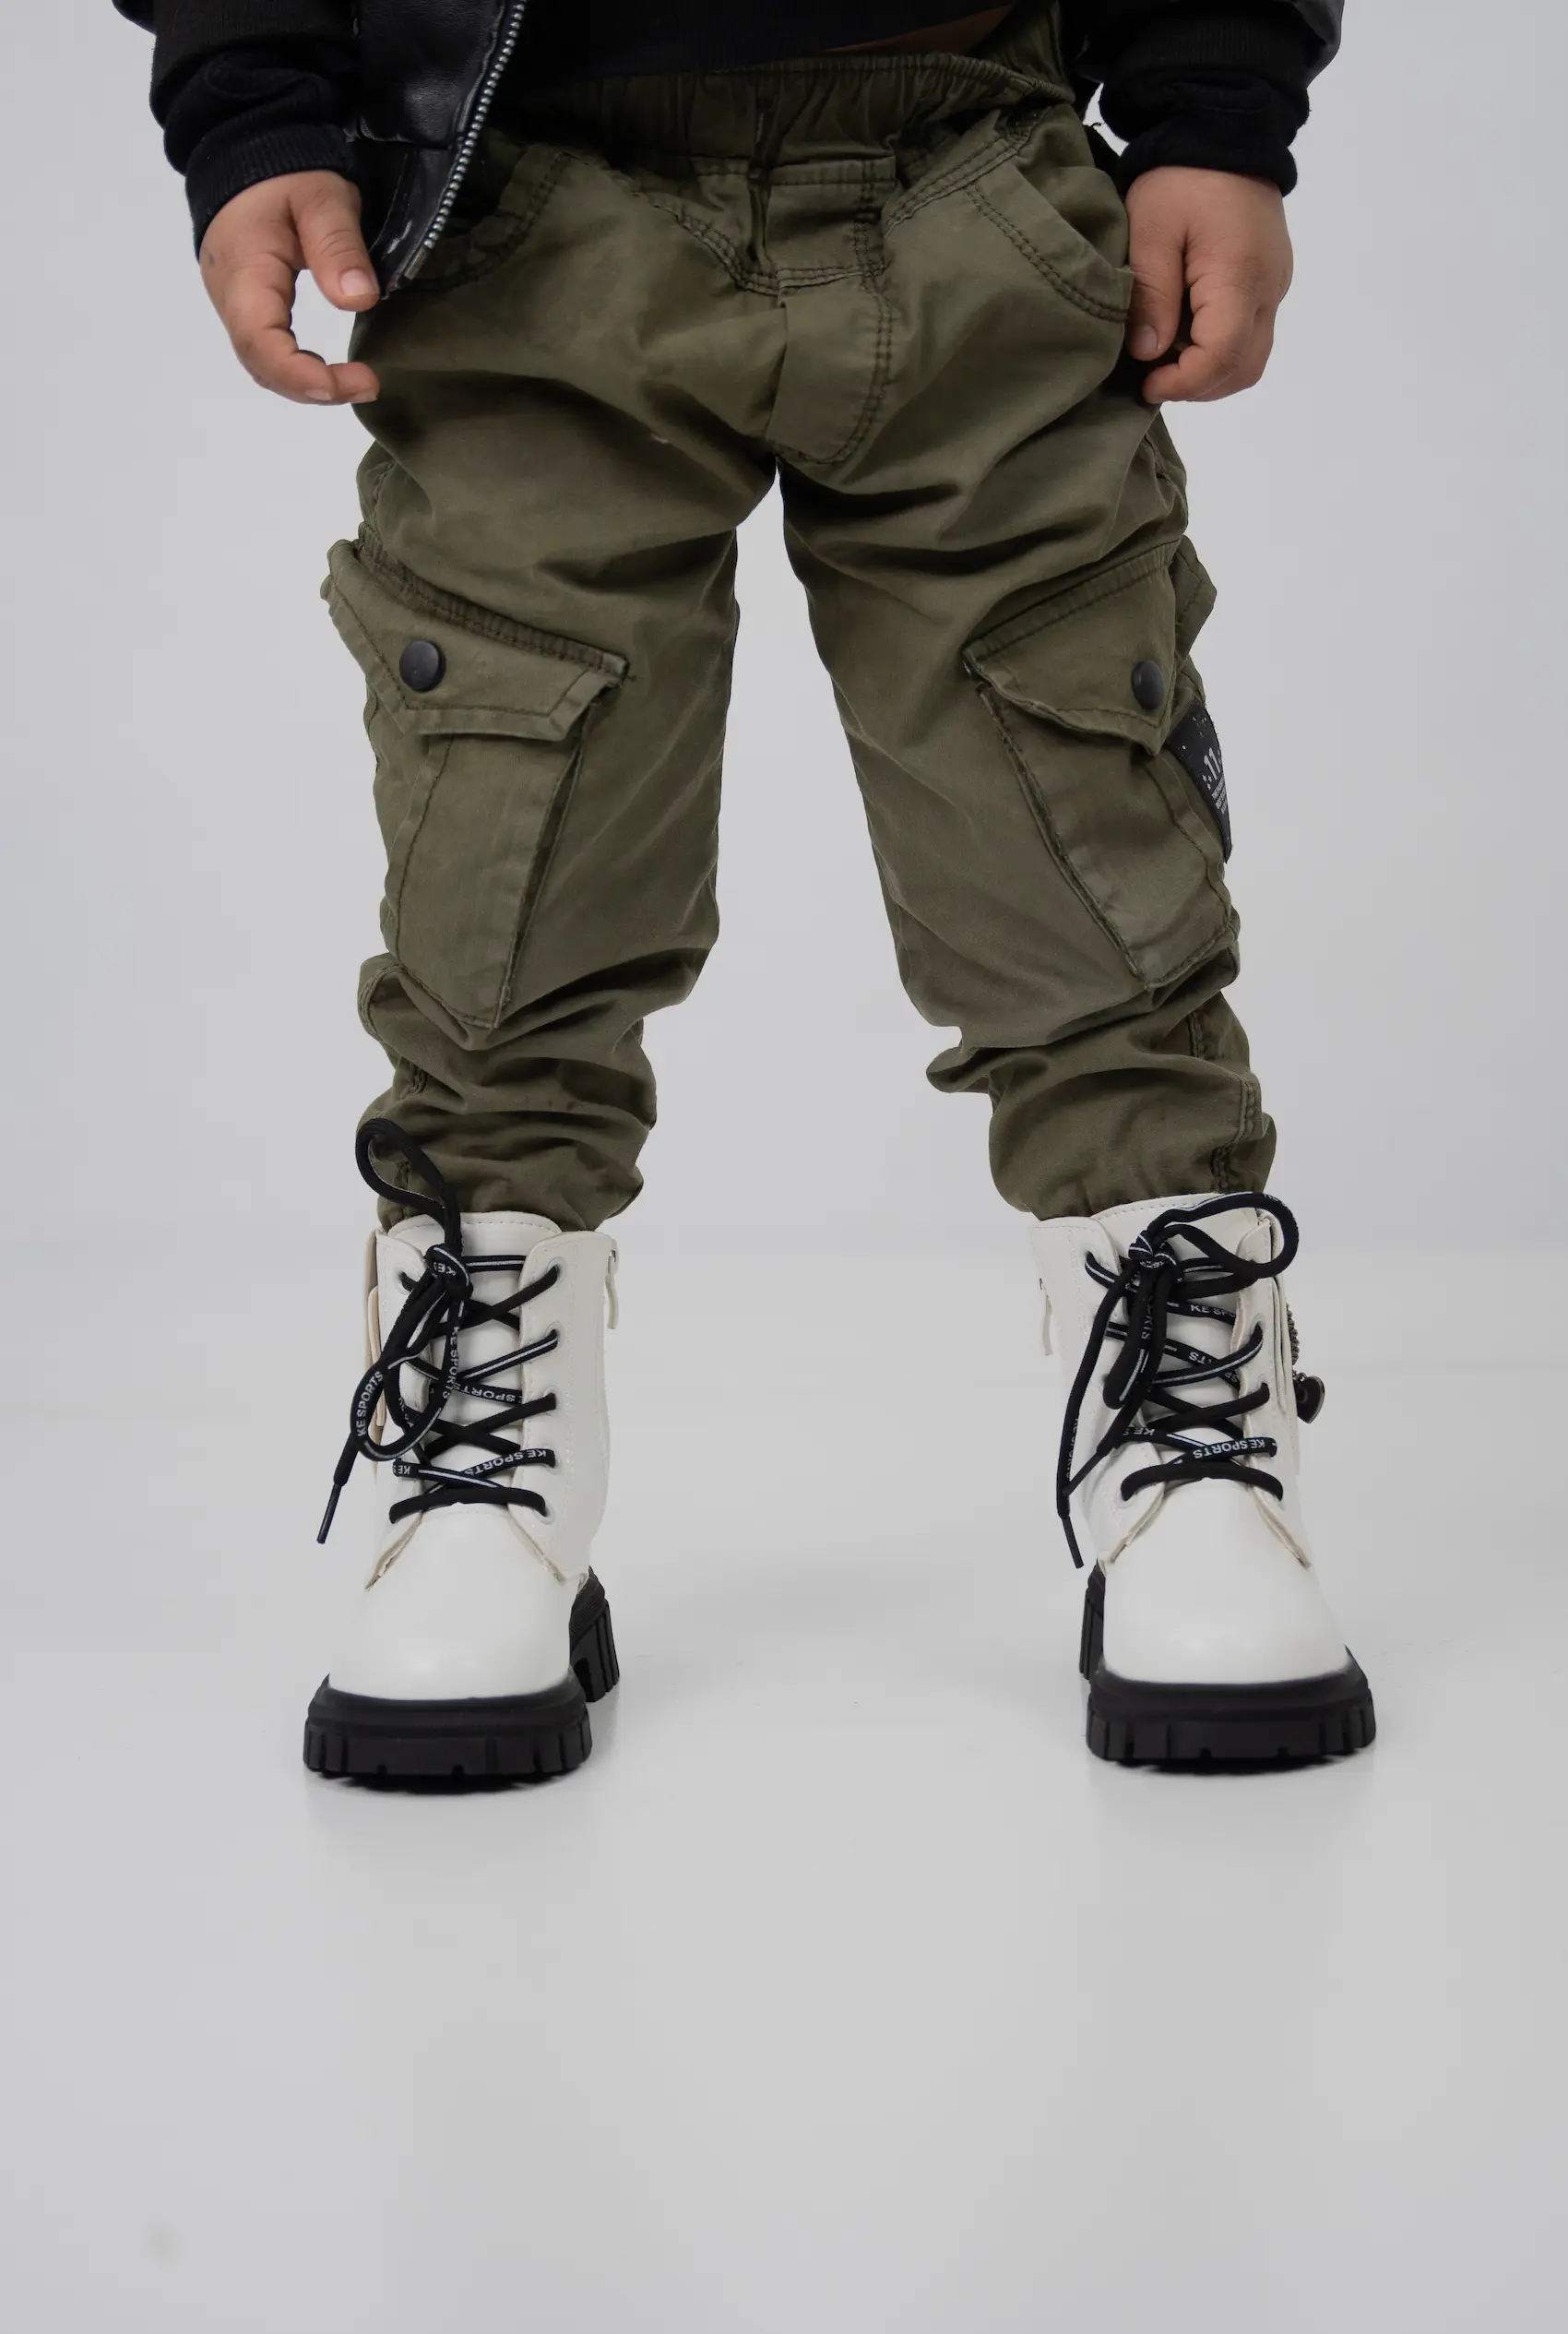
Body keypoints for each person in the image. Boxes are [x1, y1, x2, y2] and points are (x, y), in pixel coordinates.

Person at [116, 0, 1375, 1777]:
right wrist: (251, 93)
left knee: (1075, 843)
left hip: (975, 145)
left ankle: (1189, 1427)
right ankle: (488, 1442)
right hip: (518, 182)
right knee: (512, 867)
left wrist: (1214, 91)